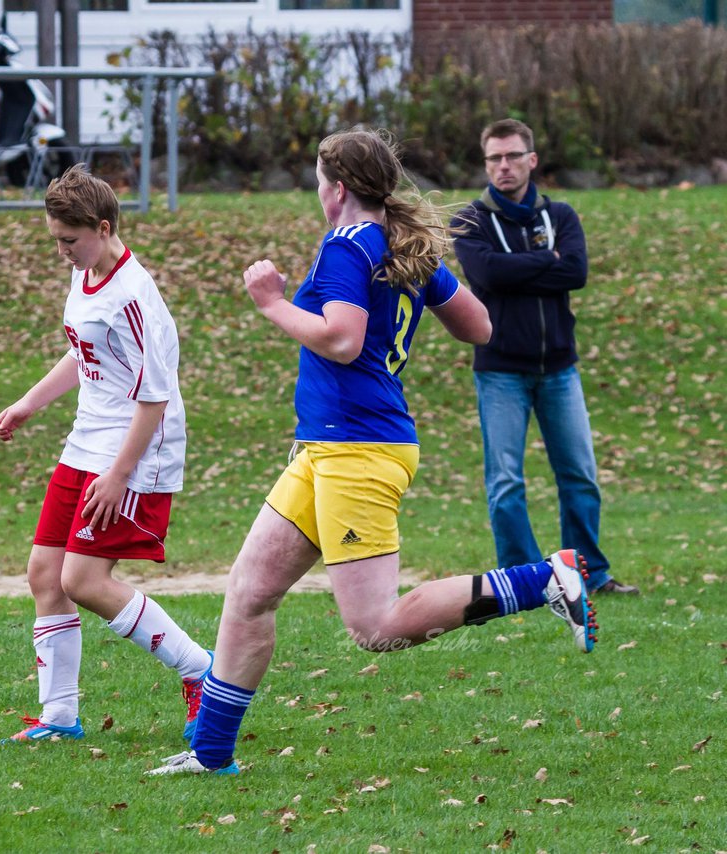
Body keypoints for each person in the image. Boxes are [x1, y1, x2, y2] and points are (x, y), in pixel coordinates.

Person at [148, 129, 598, 777]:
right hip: (332, 448)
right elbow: (480, 325)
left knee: (376, 627)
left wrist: (273, 304)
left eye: (317, 184)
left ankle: (545, 580)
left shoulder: (347, 244)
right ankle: (211, 754)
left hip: (357, 450)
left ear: (336, 189)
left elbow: (340, 340)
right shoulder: (399, 244)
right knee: (249, 592)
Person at [0, 164, 212, 744]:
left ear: (104, 226)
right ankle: (59, 717)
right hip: (87, 440)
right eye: (56, 240)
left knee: (85, 579)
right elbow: (81, 351)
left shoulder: (134, 294)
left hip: (136, 451)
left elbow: (154, 396)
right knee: (46, 574)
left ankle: (202, 673)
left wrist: (119, 475)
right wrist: (27, 405)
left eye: (70, 240)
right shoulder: (85, 272)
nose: (62, 251)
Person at [451, 118, 637, 595]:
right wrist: (546, 262)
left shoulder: (562, 216)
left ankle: (589, 575)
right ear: (486, 163)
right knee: (507, 483)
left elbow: (575, 272)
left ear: (531, 160)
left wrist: (529, 268)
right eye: (494, 158)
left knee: (579, 476)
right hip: (499, 371)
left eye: (513, 156)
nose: (504, 166)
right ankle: (524, 583)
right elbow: (486, 274)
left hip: (559, 368)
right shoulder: (470, 220)